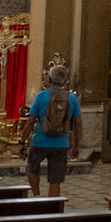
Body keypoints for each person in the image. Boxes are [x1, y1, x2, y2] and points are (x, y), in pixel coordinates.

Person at [22, 63, 81, 197]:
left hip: (40, 142)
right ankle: (52, 206)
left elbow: (30, 121)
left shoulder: (41, 96)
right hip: (61, 144)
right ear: (65, 81)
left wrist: (22, 140)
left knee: (32, 169)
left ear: (49, 79)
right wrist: (77, 146)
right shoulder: (72, 98)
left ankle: (36, 197)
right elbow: (78, 124)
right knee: (55, 180)